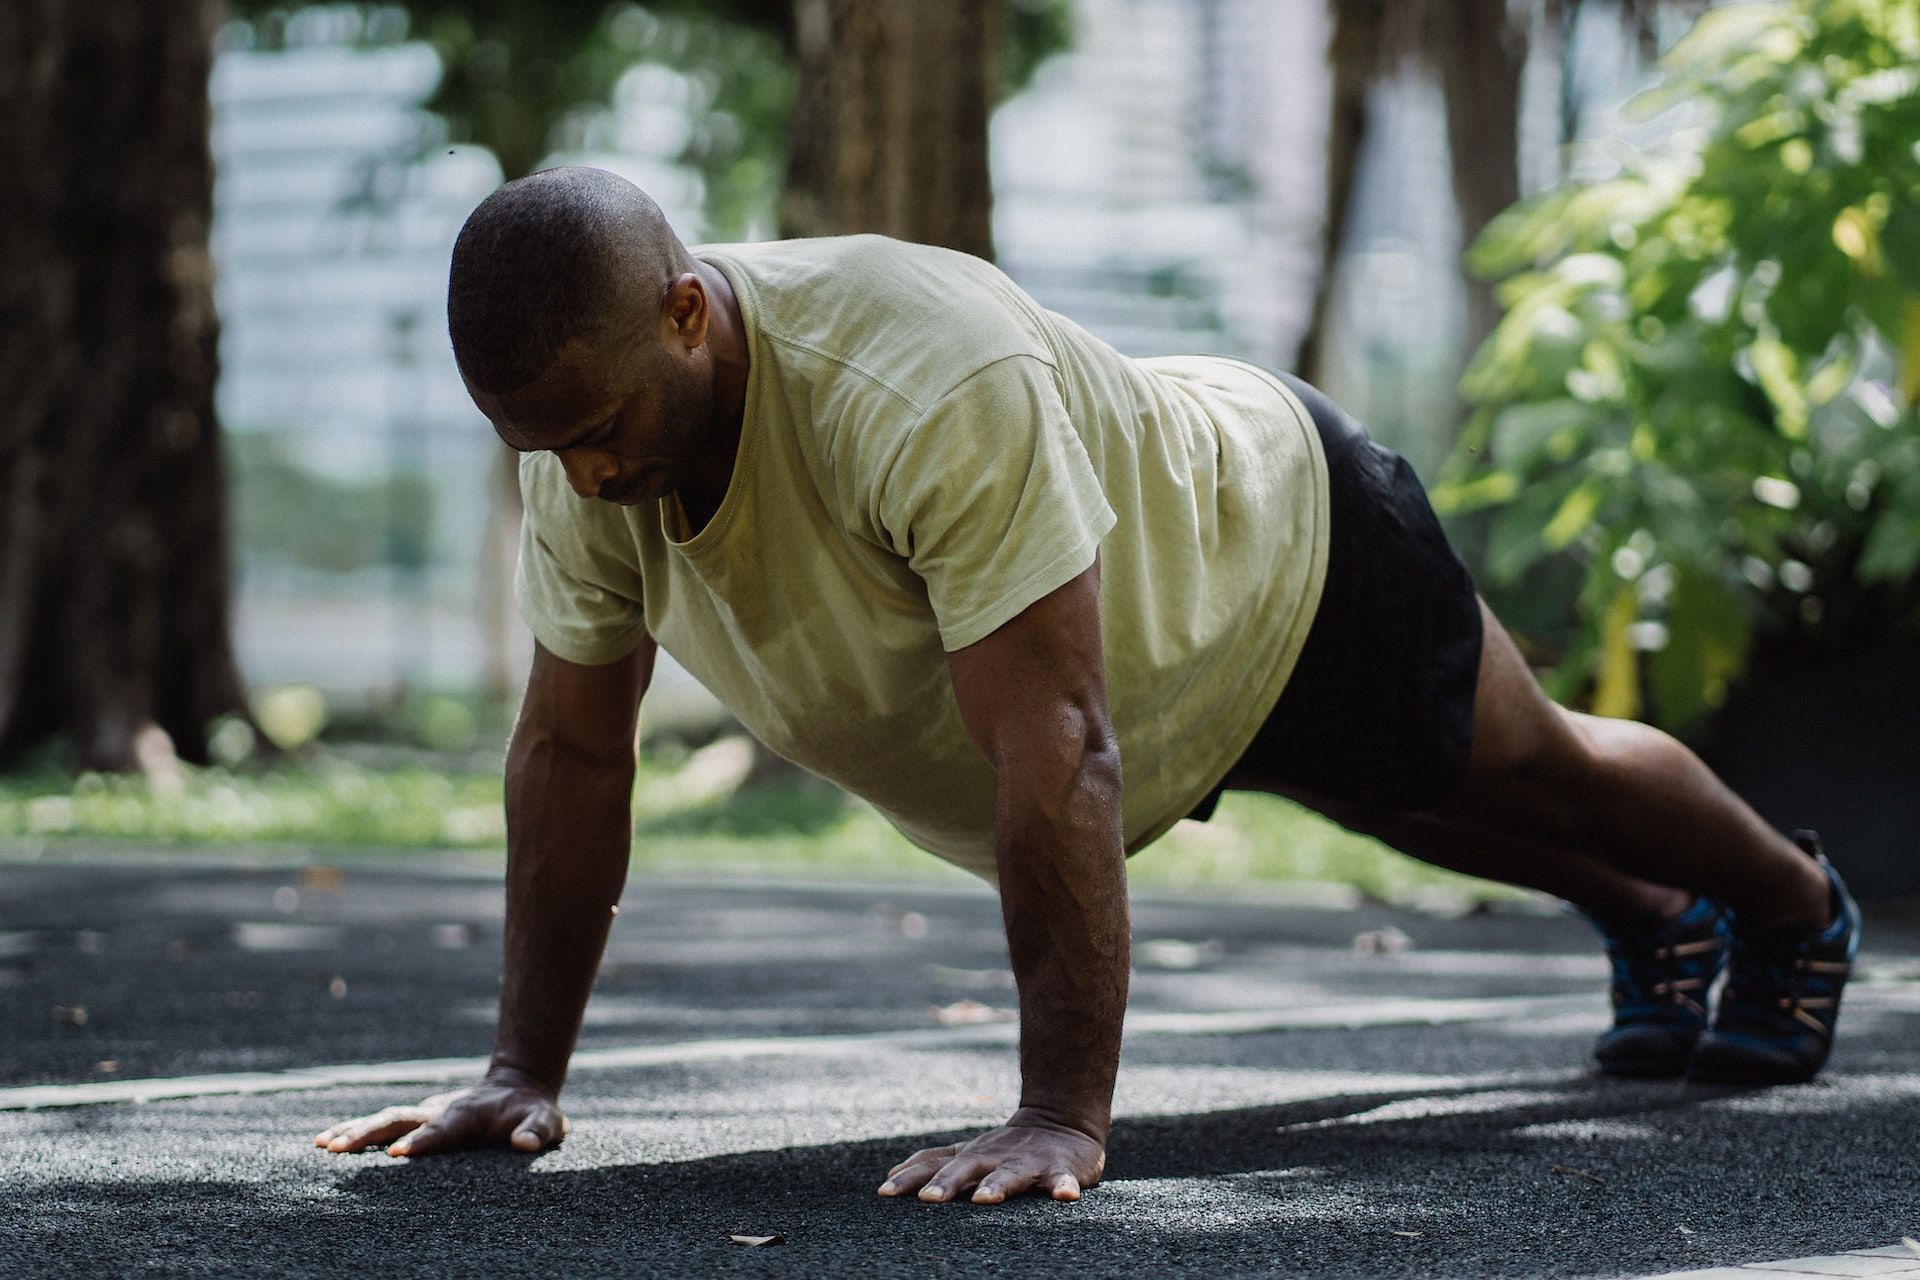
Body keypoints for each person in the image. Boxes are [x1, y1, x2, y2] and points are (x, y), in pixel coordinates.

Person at [314, 166, 1860, 1205]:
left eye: (599, 426)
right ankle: (1661, 925)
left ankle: (1791, 908)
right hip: (1170, 652)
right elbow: (572, 756)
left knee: (1523, 767)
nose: (587, 475)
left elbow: (1056, 741)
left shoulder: (914, 381)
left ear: (686, 313)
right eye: (546, 450)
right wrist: (522, 1073)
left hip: (1278, 531)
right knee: (1397, 793)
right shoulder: (583, 466)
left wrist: (1063, 1111)